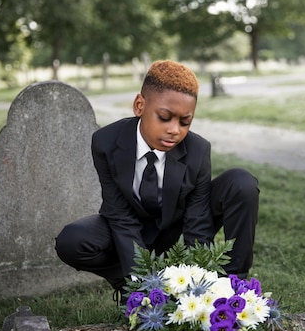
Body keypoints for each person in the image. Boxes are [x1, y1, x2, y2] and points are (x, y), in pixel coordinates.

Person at [55, 60, 259, 300]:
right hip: (129, 228)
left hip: (177, 227)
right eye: (165, 117)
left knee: (241, 182)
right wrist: (140, 283)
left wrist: (198, 286)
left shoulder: (197, 150)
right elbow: (119, 214)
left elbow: (197, 221)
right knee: (72, 240)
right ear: (140, 105)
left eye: (185, 122)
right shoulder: (106, 142)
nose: (175, 130)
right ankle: (132, 285)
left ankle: (233, 285)